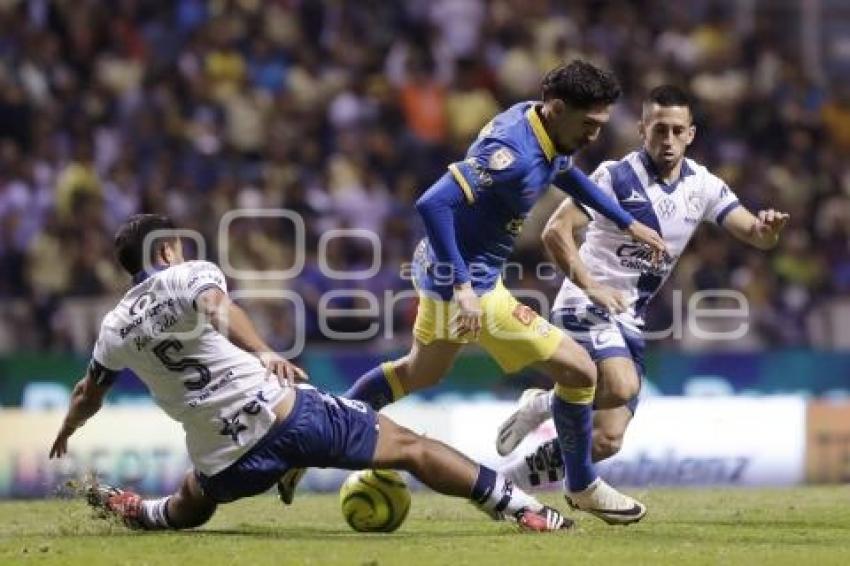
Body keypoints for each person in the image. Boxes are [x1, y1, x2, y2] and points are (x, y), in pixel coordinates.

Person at [48, 214, 570, 533]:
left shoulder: (113, 327)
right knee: (413, 448)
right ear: (164, 250)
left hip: (225, 459)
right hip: (283, 414)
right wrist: (264, 350)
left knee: (193, 500)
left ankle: (142, 512)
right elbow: (216, 307)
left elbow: (87, 393)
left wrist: (68, 429)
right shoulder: (188, 274)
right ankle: (523, 508)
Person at [334, 60, 667, 524]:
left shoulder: (540, 122)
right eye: (589, 124)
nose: (595, 135)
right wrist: (465, 288)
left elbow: (566, 173)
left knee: (418, 373)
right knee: (579, 372)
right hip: (472, 286)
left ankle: (323, 429)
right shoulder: (510, 152)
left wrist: (627, 221)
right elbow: (433, 203)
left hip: (440, 270)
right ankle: (583, 484)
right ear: (556, 108)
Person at [494, 85, 790, 522]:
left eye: (676, 130)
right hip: (585, 301)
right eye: (658, 130)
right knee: (622, 385)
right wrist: (592, 286)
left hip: (629, 317)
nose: (667, 139)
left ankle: (511, 480)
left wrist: (768, 229)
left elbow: (752, 233)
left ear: (691, 134)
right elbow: (555, 233)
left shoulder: (703, 185)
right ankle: (544, 409)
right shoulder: (615, 177)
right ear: (642, 130)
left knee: (608, 440)